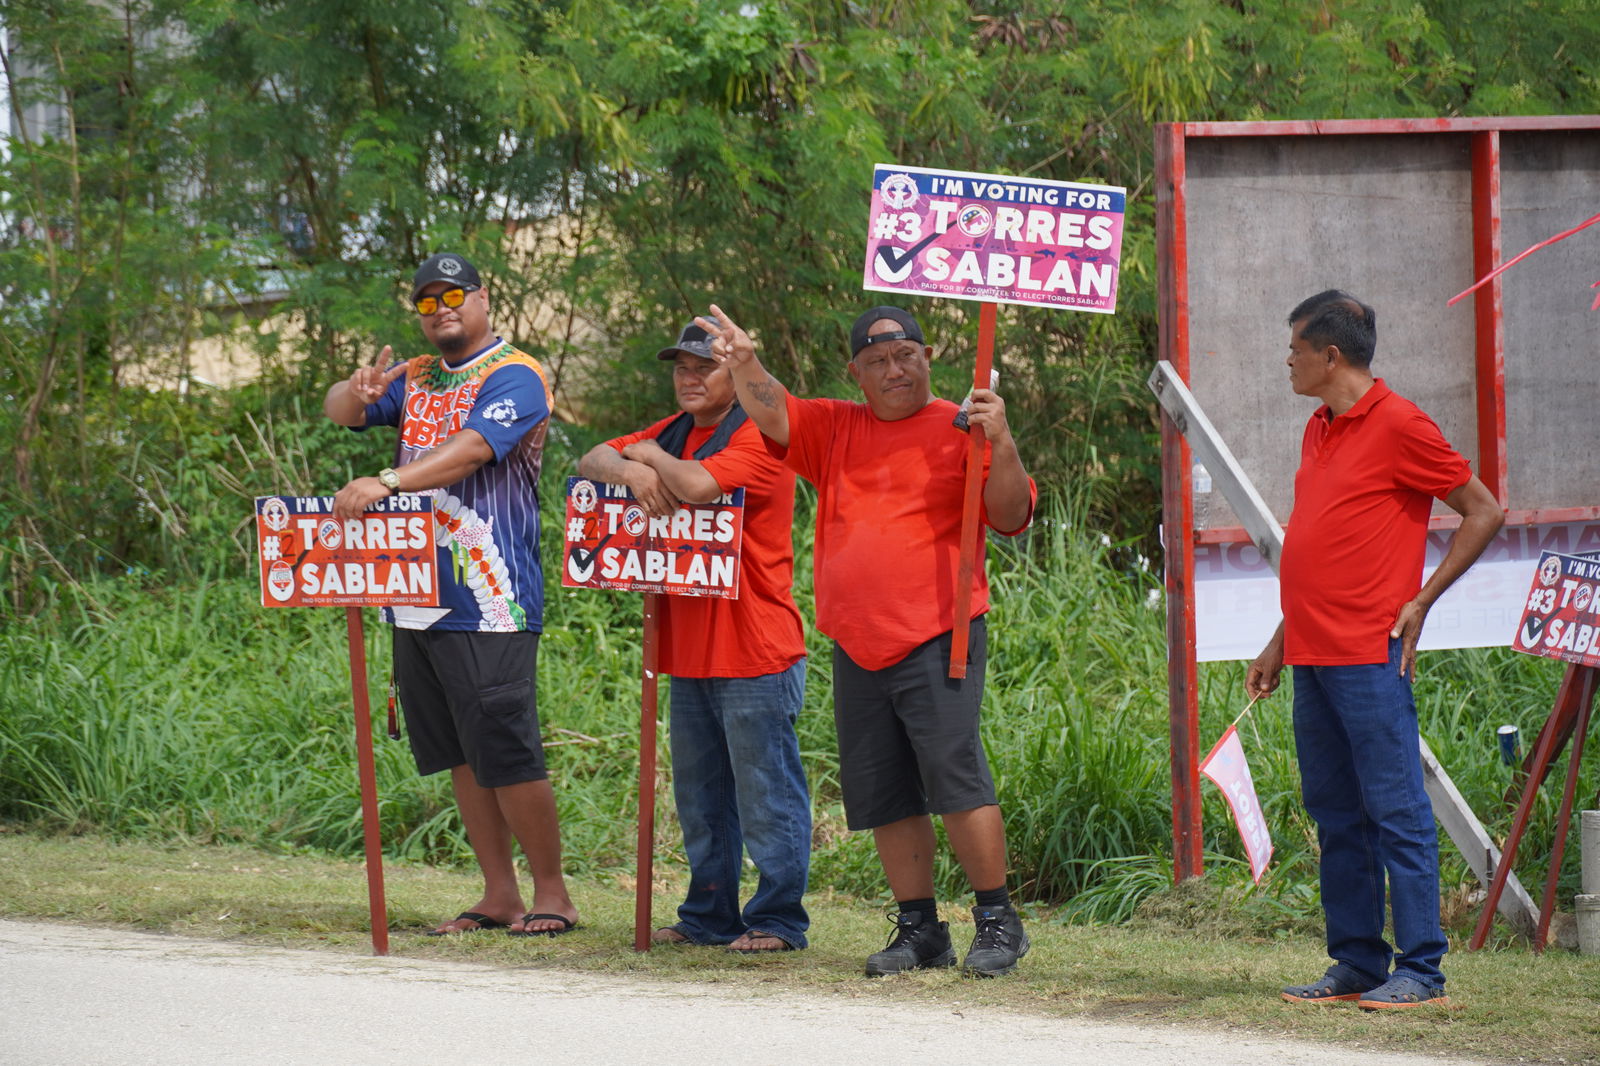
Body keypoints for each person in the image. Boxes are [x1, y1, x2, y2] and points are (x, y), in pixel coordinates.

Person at [701, 302, 1037, 978]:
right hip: (858, 641)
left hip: (940, 634)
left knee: (955, 777)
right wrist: (744, 362)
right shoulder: (834, 426)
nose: (894, 368)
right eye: (877, 360)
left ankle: (999, 920)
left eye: (904, 353)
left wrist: (1000, 440)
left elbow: (1011, 514)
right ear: (857, 372)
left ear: (926, 356)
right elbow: (773, 411)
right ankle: (920, 928)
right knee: (883, 791)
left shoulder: (963, 425)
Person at [1246, 290, 1503, 1010]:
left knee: (1395, 810)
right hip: (1312, 657)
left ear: (1331, 356)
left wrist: (1423, 600)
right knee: (1335, 811)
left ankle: (1421, 968)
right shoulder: (1317, 427)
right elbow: (1319, 548)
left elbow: (1484, 510)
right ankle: (1357, 961)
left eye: (1295, 347)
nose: (1287, 359)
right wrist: (1279, 640)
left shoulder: (1401, 424)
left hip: (1369, 654)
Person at [325, 252, 578, 938]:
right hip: (413, 593)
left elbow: (471, 448)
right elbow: (340, 412)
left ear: (483, 297)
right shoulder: (415, 375)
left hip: (491, 598)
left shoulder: (515, 374)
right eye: (428, 303)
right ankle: (500, 894)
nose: (443, 311)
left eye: (454, 296)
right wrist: (357, 390)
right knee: (458, 751)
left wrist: (390, 479)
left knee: (505, 746)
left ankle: (553, 892)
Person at [575, 320, 811, 953]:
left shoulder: (762, 433)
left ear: (734, 374)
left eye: (703, 366)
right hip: (687, 647)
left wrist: (646, 460)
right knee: (701, 796)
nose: (687, 376)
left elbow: (700, 485)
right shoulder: (677, 430)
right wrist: (630, 472)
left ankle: (778, 919)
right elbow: (591, 456)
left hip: (755, 646)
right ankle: (708, 916)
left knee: (766, 794)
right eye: (680, 366)